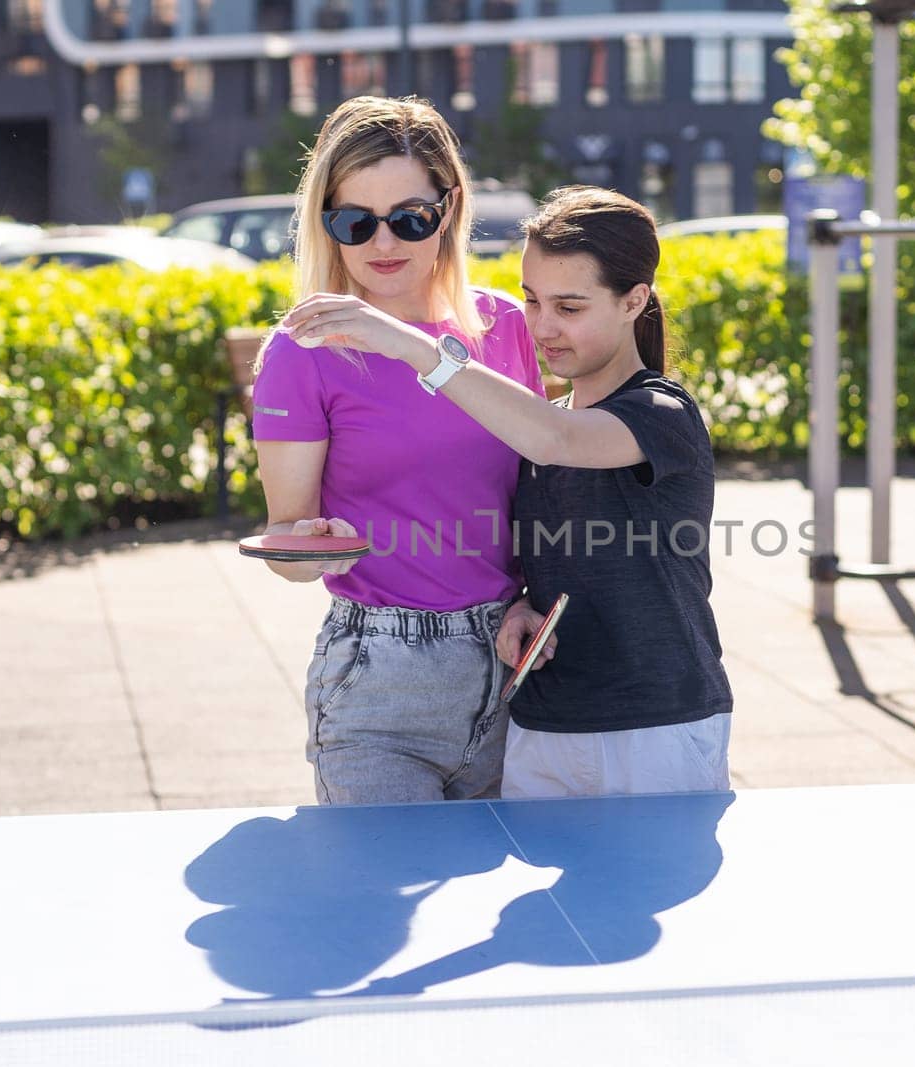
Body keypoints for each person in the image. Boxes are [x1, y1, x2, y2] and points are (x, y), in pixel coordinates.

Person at [279, 186, 732, 799]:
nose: (541, 327)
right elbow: (556, 532)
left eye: (569, 308)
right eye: (532, 301)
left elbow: (558, 438)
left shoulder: (661, 414)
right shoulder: (544, 424)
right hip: (543, 726)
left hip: (657, 726)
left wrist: (410, 344)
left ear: (634, 301)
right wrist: (525, 601)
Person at [250, 96, 544, 805]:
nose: (382, 244)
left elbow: (542, 485)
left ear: (450, 209)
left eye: (410, 218)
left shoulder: (507, 326)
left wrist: (536, 598)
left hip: (515, 667)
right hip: (378, 685)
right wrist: (312, 543)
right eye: (354, 222)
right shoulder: (305, 348)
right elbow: (289, 536)